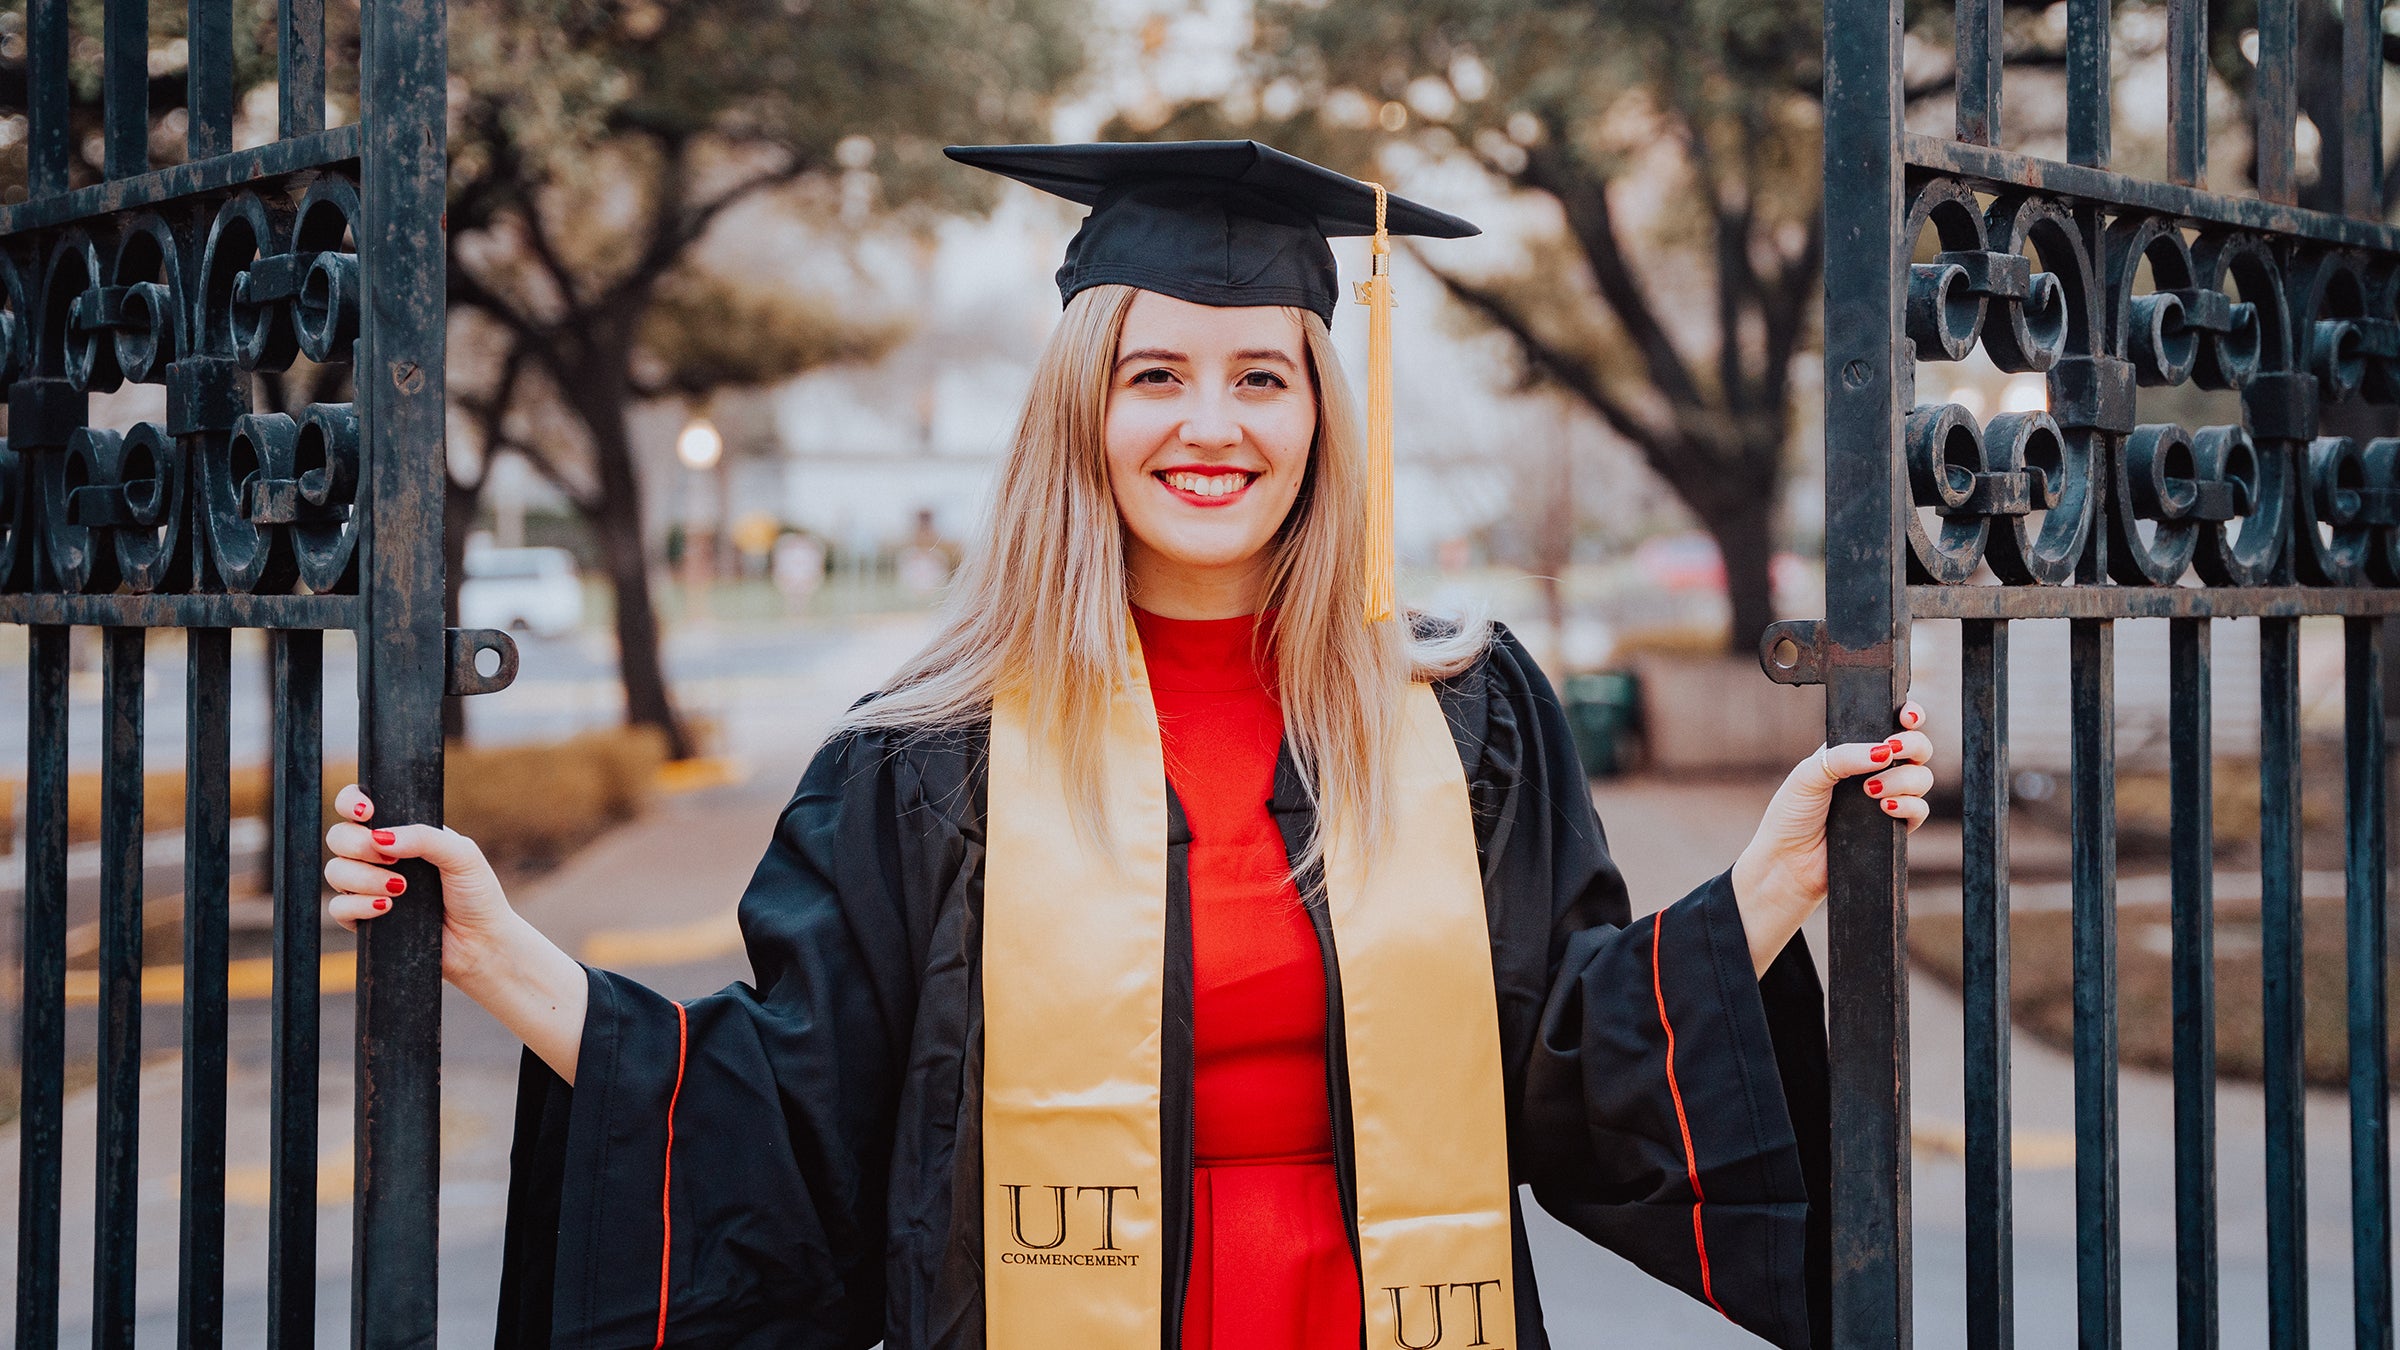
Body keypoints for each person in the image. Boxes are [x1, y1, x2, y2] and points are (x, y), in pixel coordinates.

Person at [324, 141, 1934, 1350]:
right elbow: (792, 1114)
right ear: (1083, 407)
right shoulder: (931, 758)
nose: (1210, 427)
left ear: (1323, 407)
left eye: (1261, 376)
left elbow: (1568, 1053)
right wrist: (508, 961)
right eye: (1154, 373)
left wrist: (1769, 881)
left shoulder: (1456, 712)